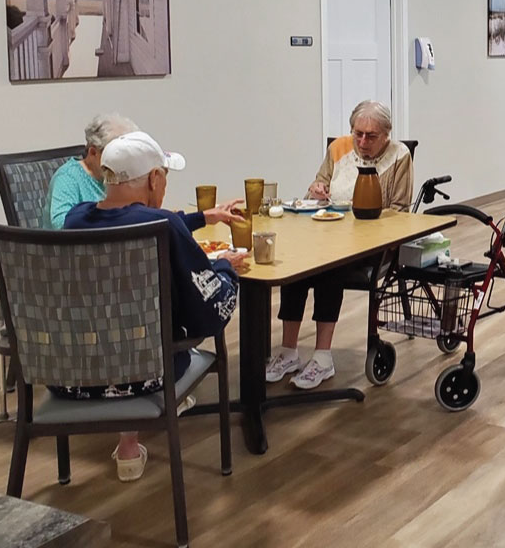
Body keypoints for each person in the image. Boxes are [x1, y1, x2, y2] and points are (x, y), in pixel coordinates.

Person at [62, 131, 246, 482]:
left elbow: (126, 218)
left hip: (78, 374)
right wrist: (224, 268)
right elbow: (209, 316)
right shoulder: (162, 226)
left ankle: (128, 447)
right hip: (149, 374)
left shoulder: (75, 220)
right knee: (168, 318)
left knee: (116, 318)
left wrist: (199, 218)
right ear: (154, 178)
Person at [267, 101, 414, 389]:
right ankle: (289, 351)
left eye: (371, 136)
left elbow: (400, 211)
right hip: (328, 231)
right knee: (296, 264)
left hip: (371, 243)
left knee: (328, 267)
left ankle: (322, 358)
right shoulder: (339, 149)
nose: (362, 142)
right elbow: (319, 184)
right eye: (357, 133)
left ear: (387, 134)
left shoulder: (400, 156)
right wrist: (318, 190)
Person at [44, 113, 138, 228]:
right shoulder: (68, 177)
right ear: (93, 152)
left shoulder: (119, 177)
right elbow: (60, 224)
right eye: (115, 155)